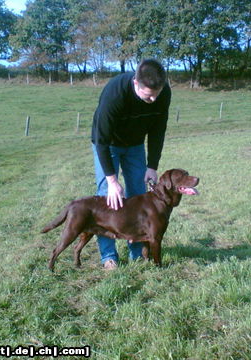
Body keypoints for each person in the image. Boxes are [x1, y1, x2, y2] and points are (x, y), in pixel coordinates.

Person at [91, 58, 172, 270]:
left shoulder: (163, 94)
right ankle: (108, 256)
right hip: (108, 145)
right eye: (148, 95)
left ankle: (138, 252)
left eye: (157, 93)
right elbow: (100, 141)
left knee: (139, 195)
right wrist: (111, 179)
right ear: (136, 83)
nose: (154, 99)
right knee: (108, 198)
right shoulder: (115, 93)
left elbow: (158, 131)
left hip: (135, 146)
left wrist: (152, 165)